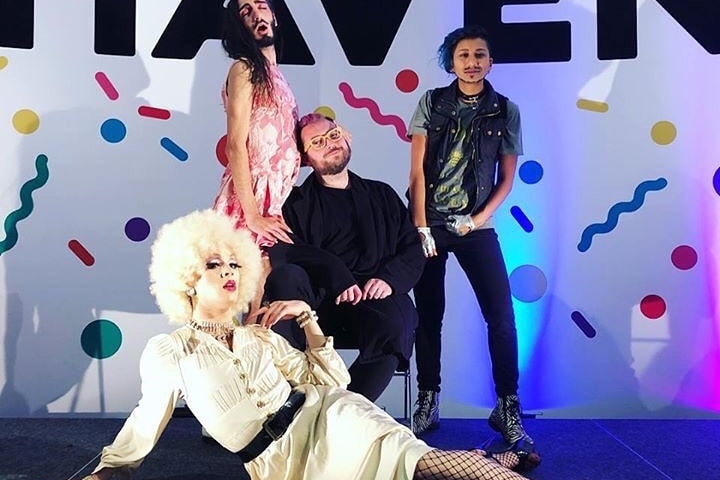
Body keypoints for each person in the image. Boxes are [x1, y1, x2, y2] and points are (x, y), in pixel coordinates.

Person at [80, 209, 535, 480]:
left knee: (421, 465)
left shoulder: (260, 338)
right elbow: (147, 417)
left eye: (234, 263)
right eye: (214, 264)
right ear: (188, 281)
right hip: (278, 463)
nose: (229, 271)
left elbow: (334, 381)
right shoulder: (171, 350)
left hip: (331, 417)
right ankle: (490, 458)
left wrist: (307, 317)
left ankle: (481, 464)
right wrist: (110, 469)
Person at [406, 24, 536, 455]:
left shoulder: (506, 110)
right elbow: (417, 171)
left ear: (490, 62)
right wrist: (422, 225)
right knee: (429, 314)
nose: (472, 62)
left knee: (501, 315)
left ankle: (508, 404)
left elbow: (506, 180)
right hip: (431, 224)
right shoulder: (431, 102)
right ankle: (428, 398)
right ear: (452, 62)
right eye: (464, 55)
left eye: (479, 55)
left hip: (476, 228)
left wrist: (477, 219)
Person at [263, 113, 425, 403]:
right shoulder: (294, 202)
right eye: (317, 142)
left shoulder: (382, 194)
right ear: (305, 158)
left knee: (398, 319)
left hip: (370, 297)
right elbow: (283, 250)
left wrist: (388, 280)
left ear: (346, 136)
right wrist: (335, 272)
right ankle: (294, 400)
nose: (329, 144)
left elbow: (411, 247)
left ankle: (341, 412)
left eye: (333, 135)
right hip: (317, 302)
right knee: (284, 277)